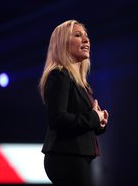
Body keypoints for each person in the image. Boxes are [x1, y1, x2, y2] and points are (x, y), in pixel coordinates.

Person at [39, 19, 109, 186]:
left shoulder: (80, 82)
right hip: (65, 157)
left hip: (76, 157)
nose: (86, 40)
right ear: (63, 44)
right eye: (78, 35)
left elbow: (79, 121)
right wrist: (93, 117)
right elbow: (57, 119)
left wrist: (99, 123)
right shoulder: (59, 75)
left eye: (86, 36)